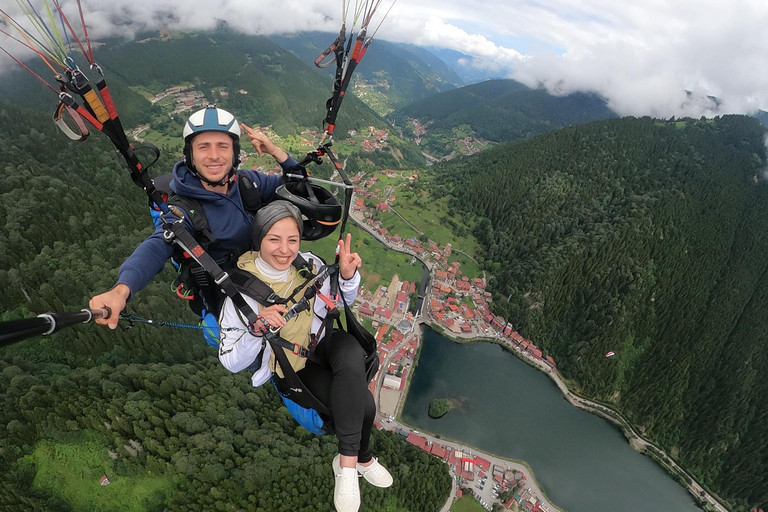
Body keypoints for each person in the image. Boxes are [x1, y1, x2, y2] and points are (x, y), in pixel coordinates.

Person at [218, 201, 393, 512]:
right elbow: (230, 361)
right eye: (274, 239)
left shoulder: (308, 264)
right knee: (364, 404)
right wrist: (257, 330)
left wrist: (348, 277)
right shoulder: (240, 294)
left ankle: (349, 466)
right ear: (258, 239)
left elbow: (335, 301)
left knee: (352, 349)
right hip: (291, 365)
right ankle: (357, 461)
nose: (284, 250)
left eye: (292, 239)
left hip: (321, 341)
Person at [89, 105, 297, 327]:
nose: (214, 156)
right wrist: (122, 290)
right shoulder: (184, 208)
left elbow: (300, 188)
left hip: (264, 275)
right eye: (203, 147)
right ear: (191, 155)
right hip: (231, 298)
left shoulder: (247, 183)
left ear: (235, 152)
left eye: (223, 146)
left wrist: (278, 153)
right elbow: (158, 244)